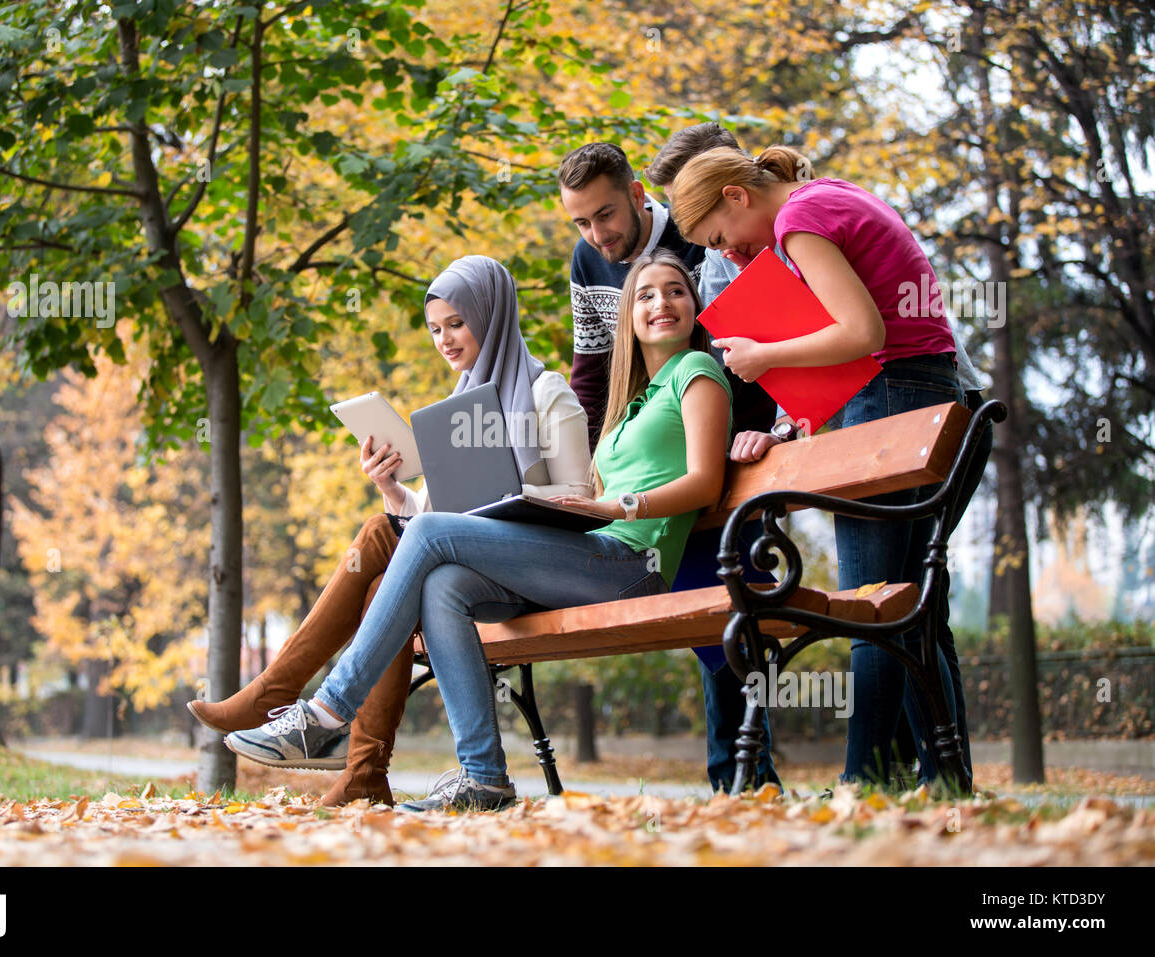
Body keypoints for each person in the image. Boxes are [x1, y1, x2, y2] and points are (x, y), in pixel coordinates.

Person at [230, 249, 734, 812]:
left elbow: (705, 484)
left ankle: (326, 713)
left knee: (423, 538)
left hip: (632, 561)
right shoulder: (632, 400)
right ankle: (484, 778)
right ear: (627, 316)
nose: (659, 304)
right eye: (643, 295)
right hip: (585, 555)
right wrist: (401, 491)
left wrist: (622, 506)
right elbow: (581, 496)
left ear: (696, 304)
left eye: (674, 292)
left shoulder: (697, 370)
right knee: (443, 583)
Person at [188, 255, 591, 806]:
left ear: (492, 315)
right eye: (434, 330)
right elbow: (428, 513)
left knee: (399, 537)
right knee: (385, 535)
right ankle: (359, 770)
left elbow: (580, 500)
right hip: (474, 574)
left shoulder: (549, 394)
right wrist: (393, 488)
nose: (445, 340)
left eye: (456, 323)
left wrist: (507, 499)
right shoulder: (457, 410)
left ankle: (315, 710)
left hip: (543, 566)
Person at [670, 145, 974, 786]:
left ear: (736, 195)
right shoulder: (824, 195)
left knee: (870, 606)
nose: (726, 254)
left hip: (894, 391)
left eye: (720, 237)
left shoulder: (798, 221)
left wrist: (763, 354)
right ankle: (945, 780)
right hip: (917, 388)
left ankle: (862, 780)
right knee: (907, 606)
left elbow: (862, 331)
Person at [561, 138, 781, 792]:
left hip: (730, 452)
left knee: (728, 631)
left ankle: (746, 779)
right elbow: (594, 373)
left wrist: (761, 429)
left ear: (638, 197)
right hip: (659, 467)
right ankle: (737, 780)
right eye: (581, 221)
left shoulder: (702, 239)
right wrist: (599, 463)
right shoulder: (587, 261)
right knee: (706, 633)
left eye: (605, 215)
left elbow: (758, 340)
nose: (596, 234)